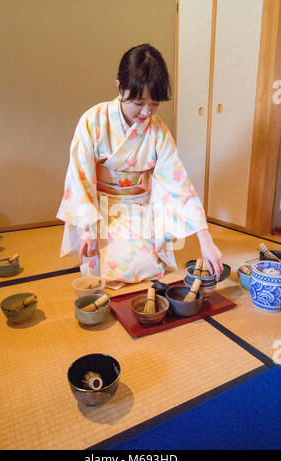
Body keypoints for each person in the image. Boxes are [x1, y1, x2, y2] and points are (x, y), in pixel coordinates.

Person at [57, 44, 223, 285]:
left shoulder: (158, 131)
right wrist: (85, 226)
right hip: (100, 208)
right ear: (120, 87)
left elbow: (177, 184)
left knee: (145, 266)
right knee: (102, 270)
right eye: (138, 102)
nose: (147, 112)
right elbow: (79, 176)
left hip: (139, 206)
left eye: (155, 103)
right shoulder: (92, 121)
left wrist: (205, 238)